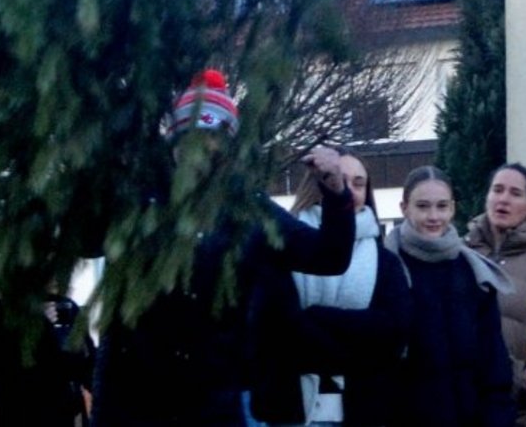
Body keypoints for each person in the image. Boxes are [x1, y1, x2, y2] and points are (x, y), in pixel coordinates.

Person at [91, 69, 356, 427]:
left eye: (214, 139)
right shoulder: (140, 201)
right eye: (191, 137)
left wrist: (336, 193)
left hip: (213, 403)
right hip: (135, 401)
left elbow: (328, 257)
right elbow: (86, 242)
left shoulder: (249, 209)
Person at [248, 149, 411, 427]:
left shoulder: (386, 262)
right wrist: (353, 349)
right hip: (288, 407)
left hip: (363, 407)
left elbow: (392, 334)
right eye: (340, 180)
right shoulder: (284, 246)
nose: (350, 190)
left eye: (359, 183)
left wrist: (316, 318)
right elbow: (276, 333)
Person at [384, 165, 516, 427]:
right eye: (423, 206)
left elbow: (493, 366)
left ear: (452, 208)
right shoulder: (386, 269)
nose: (434, 216)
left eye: (442, 206)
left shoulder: (474, 274)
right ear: (404, 208)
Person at [464, 162, 526, 427]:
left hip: (520, 408)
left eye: (515, 193)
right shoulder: (461, 253)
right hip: (466, 403)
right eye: (498, 190)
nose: (503, 199)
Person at [0, 290, 96, 426]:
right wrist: (41, 322)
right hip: (22, 413)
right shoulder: (9, 309)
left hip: (63, 412)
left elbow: (86, 362)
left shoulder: (67, 307)